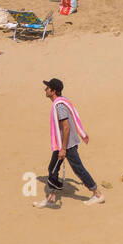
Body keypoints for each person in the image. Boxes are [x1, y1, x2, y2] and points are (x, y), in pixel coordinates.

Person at [37, 78, 105, 207]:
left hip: (66, 145)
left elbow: (66, 127)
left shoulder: (59, 106)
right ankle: (51, 199)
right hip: (64, 143)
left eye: (47, 88)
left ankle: (97, 194)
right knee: (53, 168)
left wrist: (63, 149)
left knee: (77, 169)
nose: (45, 90)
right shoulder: (61, 101)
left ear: (53, 91)